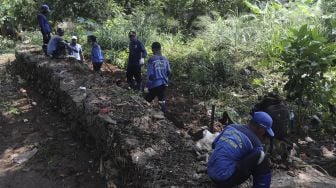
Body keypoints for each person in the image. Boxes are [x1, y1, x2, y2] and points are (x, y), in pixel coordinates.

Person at [207, 111, 274, 188]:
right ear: (260, 128)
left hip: (211, 172)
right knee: (261, 157)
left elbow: (214, 144)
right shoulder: (256, 143)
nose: (264, 134)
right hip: (225, 179)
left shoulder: (231, 127)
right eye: (265, 131)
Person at [144, 42, 171, 113]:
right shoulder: (165, 59)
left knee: (145, 101)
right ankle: (167, 116)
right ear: (160, 49)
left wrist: (147, 86)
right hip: (164, 84)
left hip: (155, 85)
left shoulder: (151, 59)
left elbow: (150, 75)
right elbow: (168, 72)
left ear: (153, 49)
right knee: (162, 101)